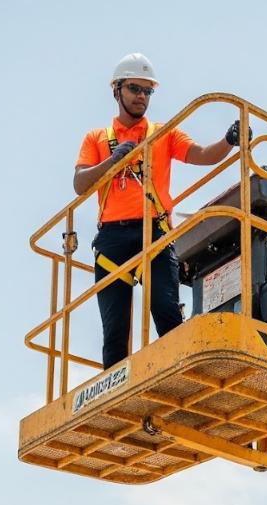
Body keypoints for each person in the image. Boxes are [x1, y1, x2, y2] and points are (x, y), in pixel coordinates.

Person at [72, 51, 243, 367]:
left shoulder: (163, 133)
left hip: (154, 231)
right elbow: (80, 184)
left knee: (165, 307)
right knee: (115, 331)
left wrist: (228, 141)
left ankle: (179, 374)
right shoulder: (96, 138)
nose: (142, 97)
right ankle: (116, 399)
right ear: (117, 90)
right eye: (135, 89)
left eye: (148, 91)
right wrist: (112, 162)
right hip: (112, 239)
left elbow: (202, 154)